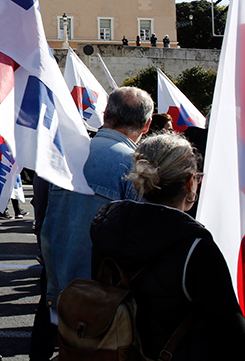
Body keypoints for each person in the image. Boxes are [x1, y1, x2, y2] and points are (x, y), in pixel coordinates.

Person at [90, 134, 245, 358]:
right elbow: (230, 330)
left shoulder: (108, 225)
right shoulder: (195, 246)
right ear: (190, 181)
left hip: (115, 350)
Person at [40, 86, 153, 343]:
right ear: (146, 125)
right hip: (108, 299)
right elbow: (139, 242)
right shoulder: (135, 166)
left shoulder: (69, 157)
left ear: (105, 114)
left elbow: (46, 228)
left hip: (64, 289)